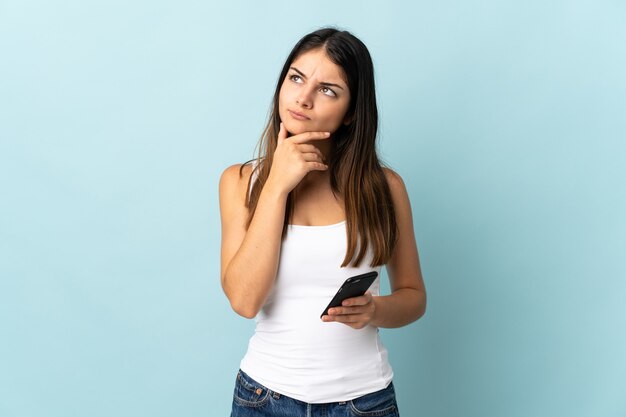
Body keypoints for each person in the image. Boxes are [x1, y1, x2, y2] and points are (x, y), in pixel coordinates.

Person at [219, 27, 426, 417]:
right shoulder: (241, 182)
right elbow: (245, 301)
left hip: (364, 402)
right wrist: (277, 186)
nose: (303, 97)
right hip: (263, 399)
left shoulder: (385, 188)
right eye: (296, 78)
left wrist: (375, 311)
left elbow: (414, 296)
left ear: (351, 113)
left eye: (328, 89)